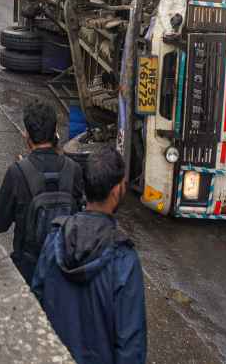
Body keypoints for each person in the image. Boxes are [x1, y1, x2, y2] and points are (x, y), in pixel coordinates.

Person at [32, 147, 147, 364]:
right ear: (116, 191)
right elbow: (131, 344)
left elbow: (36, 302)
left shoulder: (56, 238)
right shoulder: (123, 259)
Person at [0, 100, 84, 285]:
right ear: (55, 131)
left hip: (29, 270)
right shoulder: (74, 169)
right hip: (65, 270)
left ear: (27, 135)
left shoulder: (17, 172)